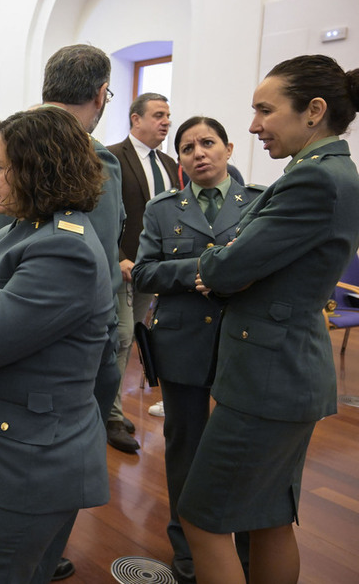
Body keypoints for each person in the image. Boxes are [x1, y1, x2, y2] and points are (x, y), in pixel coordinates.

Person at [180, 55, 359, 584]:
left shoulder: (314, 181)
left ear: (314, 111)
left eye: (264, 110)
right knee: (269, 519)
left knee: (203, 519)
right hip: (286, 369)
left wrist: (223, 265)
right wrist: (233, 264)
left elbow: (226, 263)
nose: (254, 125)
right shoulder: (330, 173)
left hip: (268, 377)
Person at [0, 107, 114, 583]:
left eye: (0, 166)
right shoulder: (24, 228)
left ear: (37, 169)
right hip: (10, 451)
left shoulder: (62, 248)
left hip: (25, 466)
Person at [132, 116, 261, 583]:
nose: (198, 153)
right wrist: (200, 272)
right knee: (184, 448)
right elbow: (144, 273)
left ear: (228, 148)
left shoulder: (260, 203)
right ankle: (187, 548)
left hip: (242, 341)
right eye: (188, 147)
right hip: (181, 341)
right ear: (180, 159)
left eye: (208, 143)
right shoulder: (163, 209)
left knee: (242, 451)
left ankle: (246, 549)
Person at [40, 43, 126, 581]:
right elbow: (104, 264)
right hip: (77, 345)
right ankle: (45, 555)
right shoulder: (98, 160)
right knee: (67, 454)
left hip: (8, 329)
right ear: (99, 96)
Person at [107, 92, 179, 453]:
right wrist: (118, 257)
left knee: (130, 337)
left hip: (152, 271)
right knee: (120, 338)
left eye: (168, 115)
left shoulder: (168, 163)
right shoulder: (111, 157)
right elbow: (99, 214)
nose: (165, 121)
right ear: (135, 119)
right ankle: (111, 416)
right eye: (158, 115)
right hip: (121, 267)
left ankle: (108, 407)